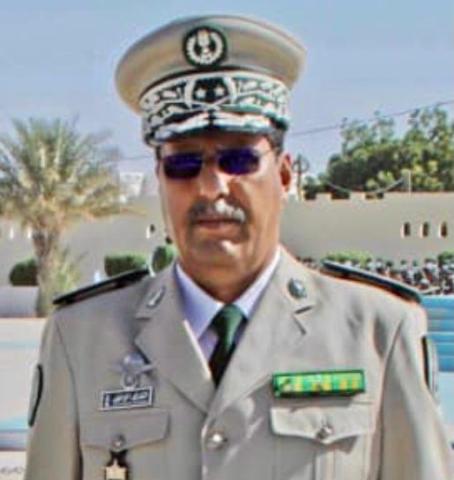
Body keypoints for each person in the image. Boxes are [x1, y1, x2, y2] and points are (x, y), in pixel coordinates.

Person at [25, 14, 452, 480]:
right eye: (184, 164)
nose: (212, 186)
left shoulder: (377, 332)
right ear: (160, 179)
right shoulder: (81, 340)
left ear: (284, 175)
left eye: (240, 159)